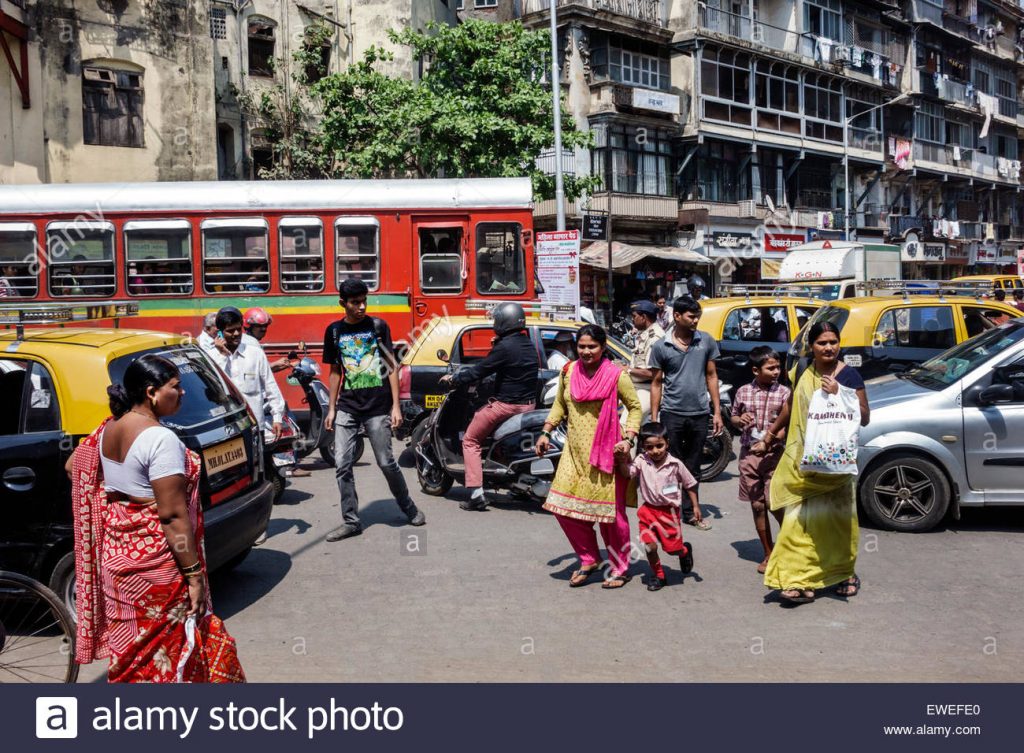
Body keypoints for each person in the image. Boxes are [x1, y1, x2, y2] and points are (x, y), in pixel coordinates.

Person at [67, 355, 244, 683]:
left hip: (116, 559)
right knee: (167, 656)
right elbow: (172, 514)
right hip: (157, 569)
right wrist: (194, 577)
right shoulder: (160, 439)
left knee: (133, 655)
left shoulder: (108, 430)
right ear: (151, 392)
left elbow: (73, 467)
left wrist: (123, 495)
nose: (182, 394)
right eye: (175, 387)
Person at [760, 321, 870, 605]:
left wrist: (839, 394)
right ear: (812, 346)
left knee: (835, 525)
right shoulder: (801, 372)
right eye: (822, 343)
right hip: (803, 464)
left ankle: (843, 573)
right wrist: (770, 434)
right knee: (797, 523)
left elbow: (865, 416)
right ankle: (798, 579)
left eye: (833, 342)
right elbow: (790, 404)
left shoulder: (850, 376)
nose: (829, 347)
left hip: (834, 468)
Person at [535, 325, 642, 589]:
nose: (586, 351)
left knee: (611, 516)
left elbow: (635, 407)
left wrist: (628, 439)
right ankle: (589, 558)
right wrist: (546, 432)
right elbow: (560, 404)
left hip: (609, 453)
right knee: (562, 509)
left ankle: (620, 567)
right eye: (581, 346)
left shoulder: (617, 375)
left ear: (603, 347)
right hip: (574, 453)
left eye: (592, 346)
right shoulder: (568, 372)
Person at [323, 278, 425, 540]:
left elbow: (391, 366)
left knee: (386, 462)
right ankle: (351, 521)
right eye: (355, 302)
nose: (361, 306)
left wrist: (395, 407)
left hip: (377, 407)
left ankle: (408, 506)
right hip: (347, 406)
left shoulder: (378, 326)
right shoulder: (334, 332)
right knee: (342, 464)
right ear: (342, 304)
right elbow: (335, 372)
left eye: (364, 301)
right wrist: (332, 408)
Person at [439, 302, 539, 510]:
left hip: (506, 407)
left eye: (496, 319)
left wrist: (455, 379)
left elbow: (480, 370)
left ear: (503, 321)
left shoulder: (504, 347)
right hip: (529, 406)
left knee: (471, 440)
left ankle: (475, 493)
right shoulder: (527, 344)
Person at [649, 296, 722, 530]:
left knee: (693, 466)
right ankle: (670, 512)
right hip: (672, 413)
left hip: (700, 413)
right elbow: (656, 383)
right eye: (691, 316)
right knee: (671, 465)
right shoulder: (661, 346)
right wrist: (653, 419)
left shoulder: (706, 342)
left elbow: (712, 376)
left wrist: (717, 412)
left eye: (697, 315)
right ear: (677, 316)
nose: (696, 320)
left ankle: (691, 513)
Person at [615, 422, 698, 591]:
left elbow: (690, 484)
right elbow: (627, 473)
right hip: (648, 512)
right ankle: (659, 575)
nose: (655, 451)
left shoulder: (675, 464)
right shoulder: (642, 460)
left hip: (670, 514)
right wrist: (622, 460)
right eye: (650, 447)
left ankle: (684, 551)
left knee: (672, 549)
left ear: (667, 443)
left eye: (659, 446)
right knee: (650, 547)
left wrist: (695, 507)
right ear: (644, 448)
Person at [731, 346, 791, 574]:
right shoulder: (743, 392)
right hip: (749, 455)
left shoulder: (785, 393)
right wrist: (739, 420)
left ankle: (789, 547)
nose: (776, 371)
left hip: (774, 455)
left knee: (774, 503)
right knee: (757, 505)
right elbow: (735, 417)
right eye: (770, 368)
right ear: (756, 370)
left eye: (777, 367)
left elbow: (788, 424)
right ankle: (769, 552)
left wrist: (770, 439)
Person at [207, 307, 285, 444]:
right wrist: (223, 355)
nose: (236, 334)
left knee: (258, 464)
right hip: (227, 429)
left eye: (238, 329)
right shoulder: (211, 356)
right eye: (230, 331)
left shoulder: (255, 354)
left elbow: (270, 386)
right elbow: (213, 386)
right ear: (219, 332)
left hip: (255, 425)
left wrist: (277, 418)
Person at [627, 300, 665, 420]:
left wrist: (627, 369)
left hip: (648, 389)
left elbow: (652, 373)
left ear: (643, 317)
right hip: (636, 386)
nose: (632, 320)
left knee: (626, 423)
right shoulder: (644, 333)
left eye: (634, 316)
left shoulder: (655, 338)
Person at [244, 307, 292, 373]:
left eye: (265, 326)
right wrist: (276, 363)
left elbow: (265, 371)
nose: (264, 329)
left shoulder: (252, 342)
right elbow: (253, 370)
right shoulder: (248, 344)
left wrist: (292, 364)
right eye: (259, 326)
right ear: (249, 326)